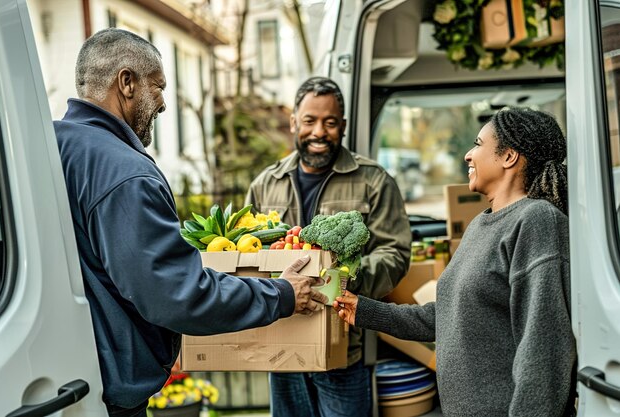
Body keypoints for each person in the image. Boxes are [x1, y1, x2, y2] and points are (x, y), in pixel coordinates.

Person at [54, 28, 326, 417]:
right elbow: (176, 294)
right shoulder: (125, 173)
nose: (163, 103)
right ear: (126, 83)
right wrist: (282, 295)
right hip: (108, 393)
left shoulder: (53, 147)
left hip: (70, 378)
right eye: (158, 86)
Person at [334, 107, 576, 417]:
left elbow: (544, 347)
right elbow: (447, 316)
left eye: (478, 144)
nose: (467, 155)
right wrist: (365, 311)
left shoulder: (537, 221)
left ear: (509, 157)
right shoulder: (481, 224)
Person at [246, 76, 412, 417]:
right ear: (294, 122)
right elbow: (247, 254)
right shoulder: (265, 184)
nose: (319, 132)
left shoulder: (373, 180)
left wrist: (344, 278)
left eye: (330, 122)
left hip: (345, 348)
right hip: (283, 345)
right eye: (309, 121)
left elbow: (395, 254)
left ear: (343, 126)